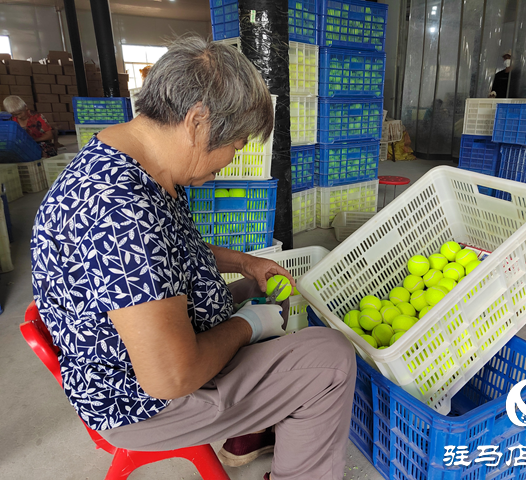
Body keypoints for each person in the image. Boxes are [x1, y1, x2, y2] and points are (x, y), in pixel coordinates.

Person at [31, 37, 356, 480]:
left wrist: (244, 264)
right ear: (197, 121)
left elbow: (160, 256)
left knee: (270, 289)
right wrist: (248, 325)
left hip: (141, 349)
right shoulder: (121, 211)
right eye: (237, 146)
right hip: (146, 403)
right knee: (331, 360)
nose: (230, 160)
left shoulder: (132, 159)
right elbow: (171, 377)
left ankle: (250, 429)